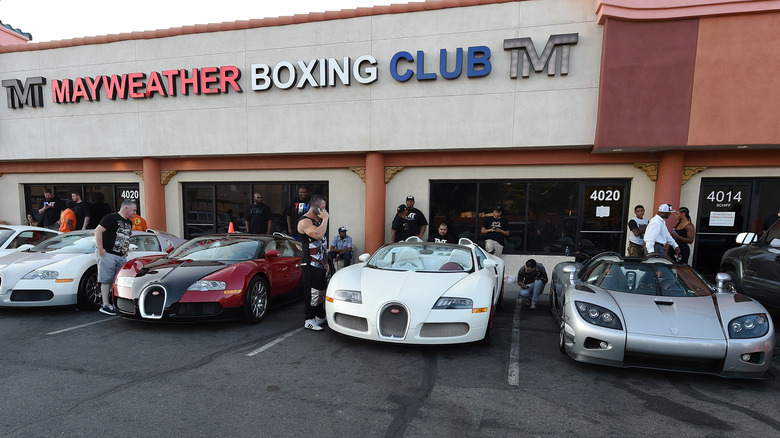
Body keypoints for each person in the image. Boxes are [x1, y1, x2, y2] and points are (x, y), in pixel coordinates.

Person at [94, 199, 136, 315]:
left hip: (121, 255)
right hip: (109, 253)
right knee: (106, 279)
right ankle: (105, 305)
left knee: (120, 280)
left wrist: (126, 250)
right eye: (133, 210)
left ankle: (115, 303)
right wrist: (101, 249)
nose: (134, 213)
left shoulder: (129, 223)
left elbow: (127, 236)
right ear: (126, 208)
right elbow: (98, 231)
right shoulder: (111, 218)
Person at [297, 194, 329, 331]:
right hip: (310, 262)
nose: (324, 211)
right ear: (315, 208)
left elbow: (322, 242)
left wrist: (326, 262)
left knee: (322, 291)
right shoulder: (304, 221)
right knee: (312, 292)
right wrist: (325, 219)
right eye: (322, 208)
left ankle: (320, 316)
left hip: (321, 262)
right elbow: (318, 234)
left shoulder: (319, 220)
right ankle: (309, 319)